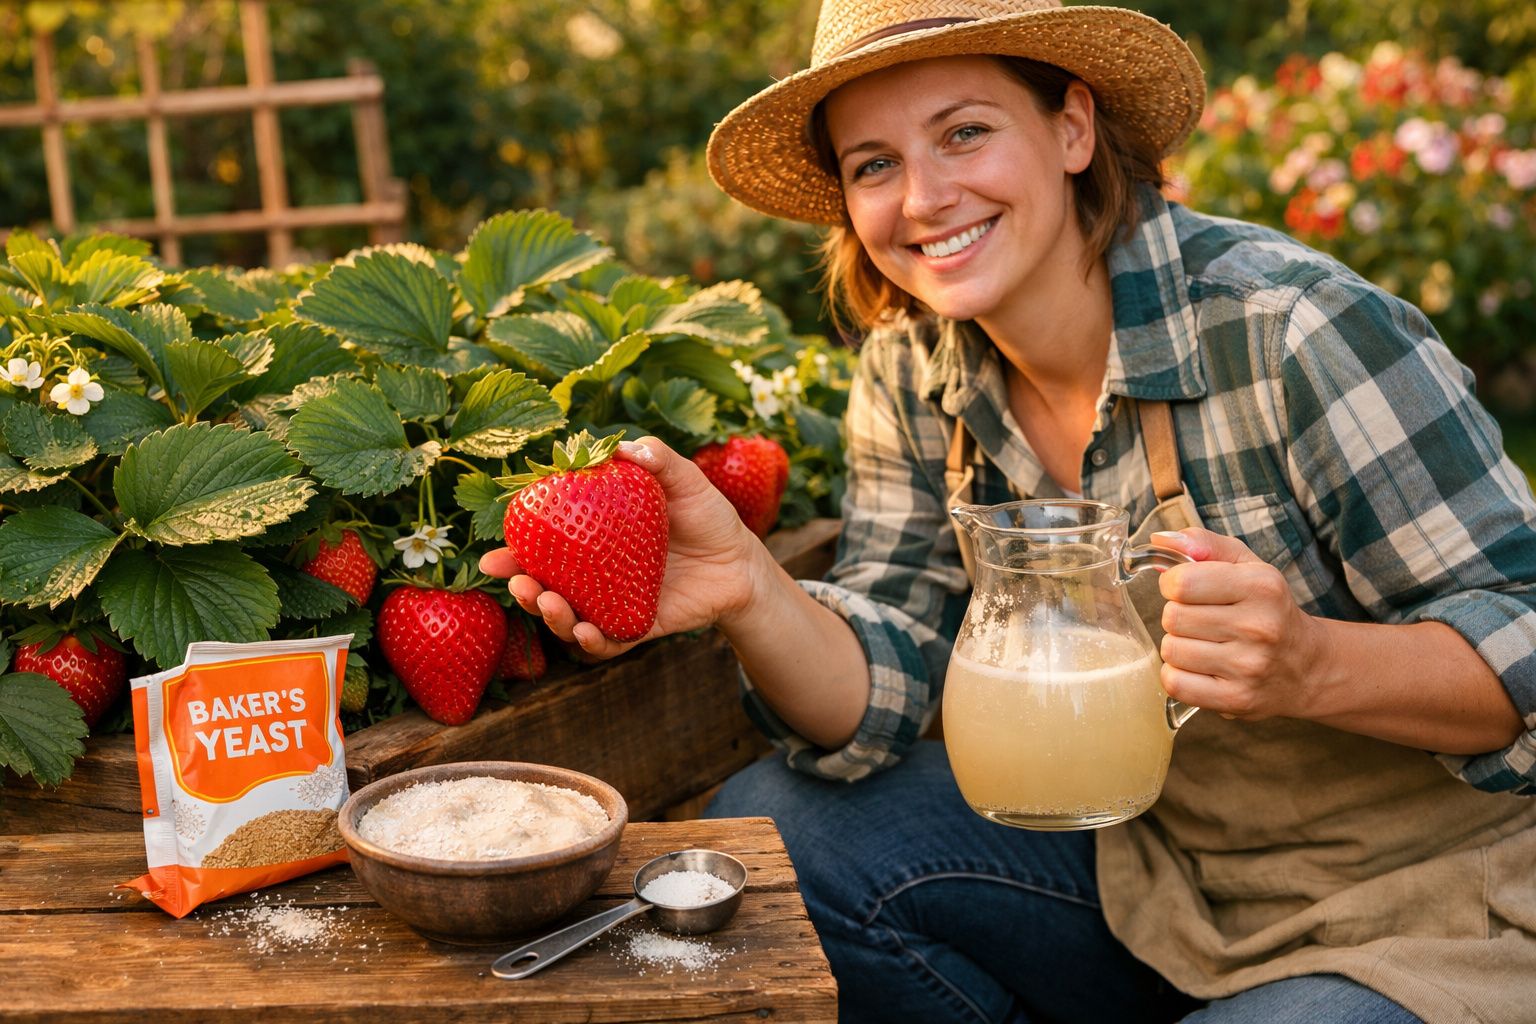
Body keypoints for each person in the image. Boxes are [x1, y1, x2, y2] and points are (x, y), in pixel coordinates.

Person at [481, 1, 1536, 1020]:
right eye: (874, 164)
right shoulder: (912, 373)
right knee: (781, 835)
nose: (924, 197)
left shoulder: (1290, 331)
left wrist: (1310, 664)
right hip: (1151, 871)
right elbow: (887, 686)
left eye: (965, 133)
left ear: (1073, 128)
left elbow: (1523, 632)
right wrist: (752, 590)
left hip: (1428, 906)